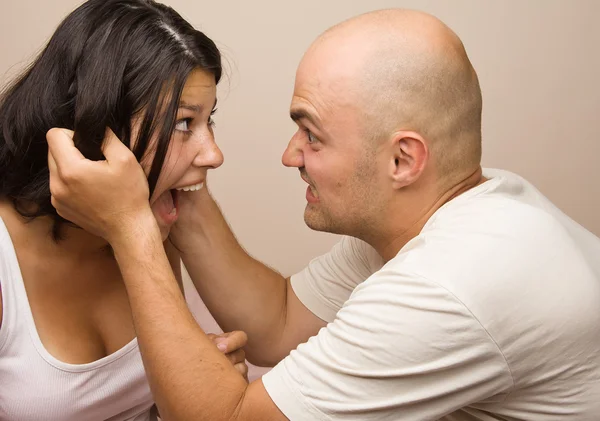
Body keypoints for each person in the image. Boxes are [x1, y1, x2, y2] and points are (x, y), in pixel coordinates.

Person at [47, 8, 600, 421]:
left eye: (311, 134)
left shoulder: (452, 284)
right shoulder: (458, 212)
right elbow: (278, 322)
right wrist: (179, 184)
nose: (290, 154)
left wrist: (131, 229)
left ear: (403, 160)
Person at [0, 1, 248, 420]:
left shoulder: (152, 224)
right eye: (185, 124)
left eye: (210, 122)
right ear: (97, 130)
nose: (213, 155)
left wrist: (200, 386)